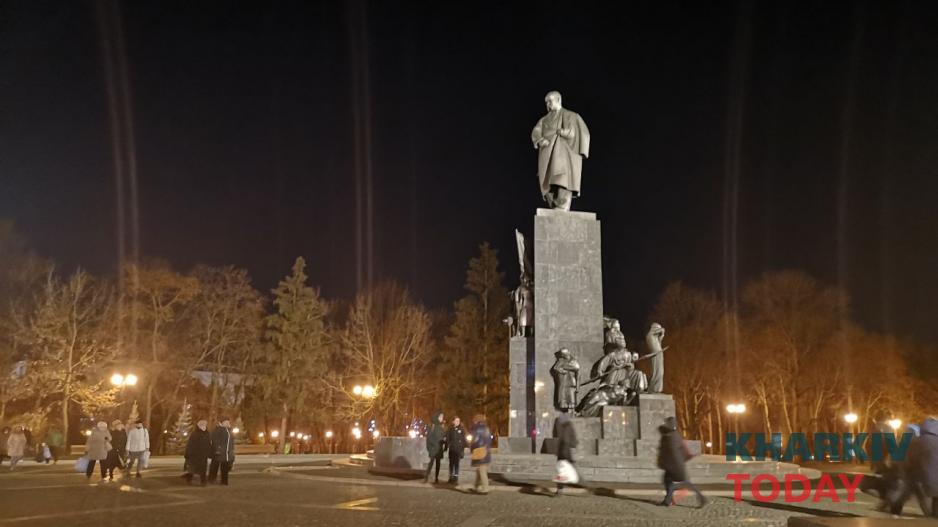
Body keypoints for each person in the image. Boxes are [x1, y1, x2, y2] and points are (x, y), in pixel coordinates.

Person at [530, 91, 590, 211]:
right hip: (547, 155)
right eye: (546, 102)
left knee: (562, 180)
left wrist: (563, 133)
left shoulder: (571, 115)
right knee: (548, 183)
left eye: (550, 101)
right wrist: (540, 140)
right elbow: (535, 132)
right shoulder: (544, 120)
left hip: (564, 156)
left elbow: (576, 132)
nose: (548, 104)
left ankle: (562, 204)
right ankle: (554, 204)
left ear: (558, 100)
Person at [657, 416, 706, 507]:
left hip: (674, 466)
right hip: (675, 465)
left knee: (681, 484)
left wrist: (665, 463)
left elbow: (672, 454)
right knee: (668, 481)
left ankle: (701, 498)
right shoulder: (674, 435)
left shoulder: (671, 437)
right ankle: (668, 500)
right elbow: (681, 450)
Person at [909, 417, 938, 518]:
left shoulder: (918, 441)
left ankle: (929, 516)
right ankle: (934, 516)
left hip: (922, 475)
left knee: (921, 495)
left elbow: (912, 457)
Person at [553, 412, 579, 496]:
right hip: (563, 449)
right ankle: (560, 488)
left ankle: (560, 488)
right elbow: (572, 436)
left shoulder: (564, 424)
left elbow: (572, 436)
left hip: (564, 449)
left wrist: (573, 443)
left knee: (563, 470)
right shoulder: (564, 423)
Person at [469, 415, 492, 494]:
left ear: (476, 420)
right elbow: (489, 440)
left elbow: (474, 440)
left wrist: (471, 448)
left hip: (479, 451)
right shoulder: (486, 428)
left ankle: (485, 488)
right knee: (479, 470)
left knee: (482, 470)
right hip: (486, 451)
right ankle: (476, 487)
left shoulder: (476, 428)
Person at [185, 419, 212, 485]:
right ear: (199, 426)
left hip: (203, 455)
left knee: (203, 469)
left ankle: (203, 482)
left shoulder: (207, 434)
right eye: (202, 425)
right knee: (193, 469)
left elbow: (209, 444)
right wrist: (188, 453)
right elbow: (190, 444)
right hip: (195, 455)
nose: (204, 427)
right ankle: (189, 479)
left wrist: (209, 453)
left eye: (205, 425)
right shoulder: (195, 434)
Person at [209, 418, 235, 485]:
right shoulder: (218, 430)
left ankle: (224, 481)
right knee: (214, 466)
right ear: (221, 423)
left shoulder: (229, 431)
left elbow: (231, 442)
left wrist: (232, 452)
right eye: (225, 422)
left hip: (227, 453)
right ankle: (212, 479)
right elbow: (214, 440)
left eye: (228, 422)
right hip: (219, 453)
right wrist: (218, 449)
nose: (227, 423)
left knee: (225, 468)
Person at [424, 411, 446, 484]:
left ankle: (436, 478)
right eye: (440, 417)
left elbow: (443, 436)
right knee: (431, 462)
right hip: (433, 448)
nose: (442, 418)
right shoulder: (432, 426)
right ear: (437, 417)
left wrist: (444, 441)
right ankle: (426, 477)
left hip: (439, 448)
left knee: (438, 463)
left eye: (442, 417)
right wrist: (431, 447)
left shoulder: (441, 426)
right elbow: (429, 438)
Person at [445, 416, 466, 484]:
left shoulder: (462, 429)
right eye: (456, 421)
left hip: (458, 450)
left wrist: (463, 448)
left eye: (458, 421)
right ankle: (451, 477)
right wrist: (446, 446)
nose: (457, 422)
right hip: (452, 449)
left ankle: (456, 478)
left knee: (457, 464)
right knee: (451, 464)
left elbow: (464, 439)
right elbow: (447, 438)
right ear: (453, 421)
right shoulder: (450, 429)